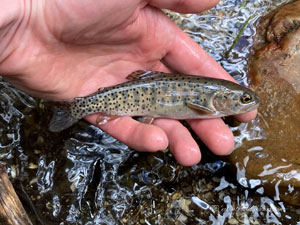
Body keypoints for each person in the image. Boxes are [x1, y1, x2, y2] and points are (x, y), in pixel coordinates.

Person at [0, 0, 256, 166]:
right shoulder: (209, 105)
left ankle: (77, 108)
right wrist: (29, 14)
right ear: (223, 100)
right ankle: (75, 108)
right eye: (244, 99)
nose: (247, 103)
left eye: (245, 100)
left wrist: (28, 14)